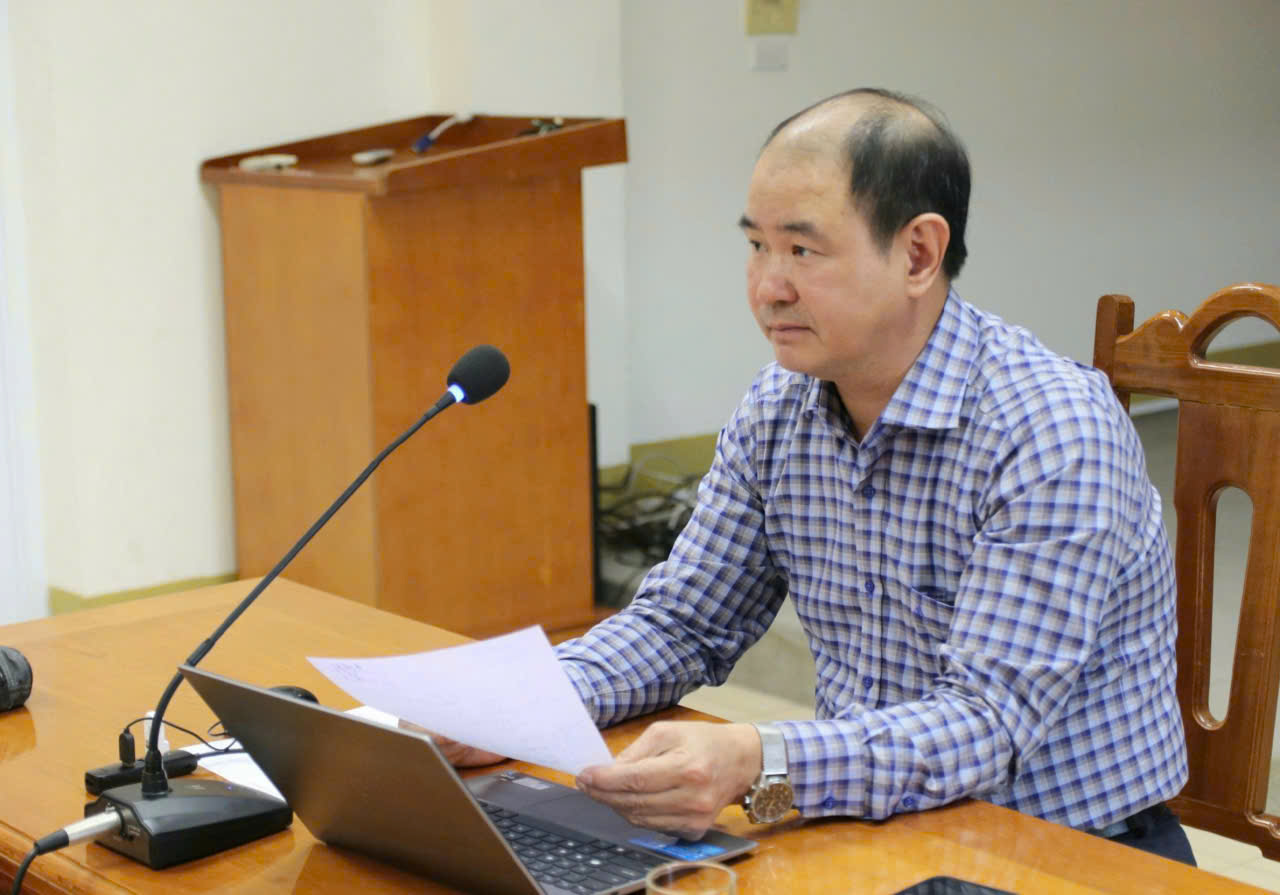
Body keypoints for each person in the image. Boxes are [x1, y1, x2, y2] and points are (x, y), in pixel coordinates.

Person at [432, 87, 1194, 864]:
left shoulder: (1049, 429)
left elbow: (985, 724)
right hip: (876, 829)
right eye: (756, 246)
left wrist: (760, 758)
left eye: (802, 250)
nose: (769, 286)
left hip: (1070, 854)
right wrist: (515, 707)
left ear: (918, 254)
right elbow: (684, 622)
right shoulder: (781, 407)